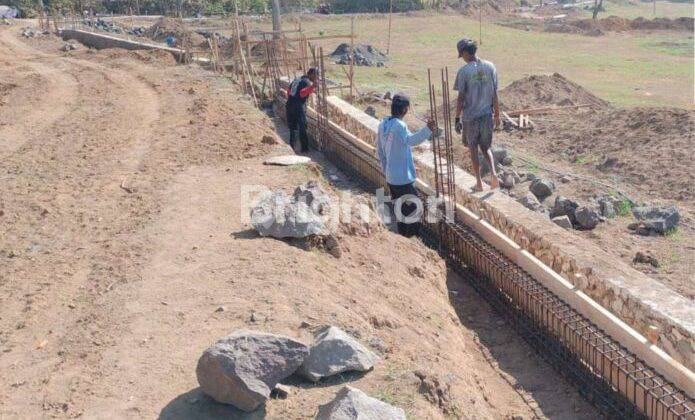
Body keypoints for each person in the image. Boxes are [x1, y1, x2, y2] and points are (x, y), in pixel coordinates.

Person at [377, 93, 437, 237]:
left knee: (400, 209)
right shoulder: (399, 126)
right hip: (402, 178)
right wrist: (428, 129)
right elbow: (412, 140)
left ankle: (403, 236)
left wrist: (387, 171)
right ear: (405, 109)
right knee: (415, 208)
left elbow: (380, 151)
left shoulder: (383, 124)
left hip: (391, 177)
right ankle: (412, 239)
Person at [453, 38, 502, 192]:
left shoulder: (464, 72)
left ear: (466, 53)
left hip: (471, 117)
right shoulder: (490, 67)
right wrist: (497, 115)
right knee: (486, 147)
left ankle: (479, 183)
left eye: (462, 54)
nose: (463, 58)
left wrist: (456, 118)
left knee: (473, 148)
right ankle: (494, 175)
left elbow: (460, 98)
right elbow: (495, 93)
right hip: (487, 115)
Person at [286, 68, 319, 153]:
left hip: (289, 105)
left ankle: (292, 147)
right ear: (311, 74)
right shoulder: (306, 82)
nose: (316, 78)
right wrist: (312, 87)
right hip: (298, 106)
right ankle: (304, 148)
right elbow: (302, 93)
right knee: (302, 127)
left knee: (293, 127)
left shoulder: (297, 79)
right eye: (315, 76)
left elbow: (289, 91)